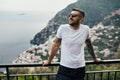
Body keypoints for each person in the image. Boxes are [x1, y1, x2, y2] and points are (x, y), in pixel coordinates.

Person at [43, 8, 102, 80]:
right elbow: (56, 45)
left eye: (73, 15)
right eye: (69, 15)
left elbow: (89, 44)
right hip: (65, 68)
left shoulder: (85, 29)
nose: (70, 17)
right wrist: (49, 61)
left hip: (80, 69)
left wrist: (94, 59)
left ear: (81, 19)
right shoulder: (63, 28)